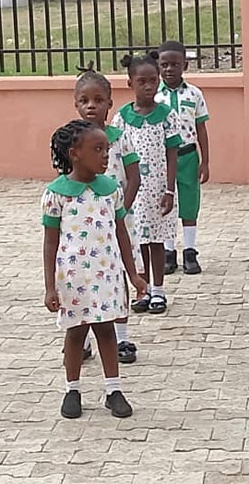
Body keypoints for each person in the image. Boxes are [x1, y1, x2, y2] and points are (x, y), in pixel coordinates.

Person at [42, 121, 148, 419]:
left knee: (106, 329)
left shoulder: (110, 190)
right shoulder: (57, 195)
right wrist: (50, 286)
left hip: (108, 274)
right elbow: (50, 244)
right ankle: (72, 389)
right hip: (74, 278)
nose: (105, 156)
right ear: (75, 154)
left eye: (107, 149)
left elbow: (121, 233)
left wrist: (133, 273)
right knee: (76, 334)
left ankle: (113, 389)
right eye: (98, 149)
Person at [75, 65, 143, 364]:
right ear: (76, 104)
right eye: (85, 100)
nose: (92, 106)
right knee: (86, 279)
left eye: (98, 100)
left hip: (117, 221)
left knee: (117, 276)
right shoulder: (72, 139)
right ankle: (84, 338)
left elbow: (134, 176)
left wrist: (122, 209)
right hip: (84, 226)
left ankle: (122, 337)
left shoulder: (121, 137)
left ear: (109, 103)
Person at [112, 52, 182, 315]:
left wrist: (169, 189)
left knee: (156, 240)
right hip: (132, 191)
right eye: (142, 81)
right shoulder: (121, 118)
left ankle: (159, 290)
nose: (149, 86)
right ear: (130, 83)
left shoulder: (166, 115)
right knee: (137, 239)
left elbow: (172, 153)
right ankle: (143, 287)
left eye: (153, 81)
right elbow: (114, 152)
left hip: (157, 190)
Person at [155, 40, 210, 276]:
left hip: (188, 156)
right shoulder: (154, 96)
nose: (169, 69)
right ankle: (168, 252)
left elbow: (202, 128)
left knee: (189, 203)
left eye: (174, 64)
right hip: (162, 158)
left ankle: (189, 250)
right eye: (164, 65)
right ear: (158, 66)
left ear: (184, 65)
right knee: (166, 203)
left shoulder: (195, 94)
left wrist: (205, 161)